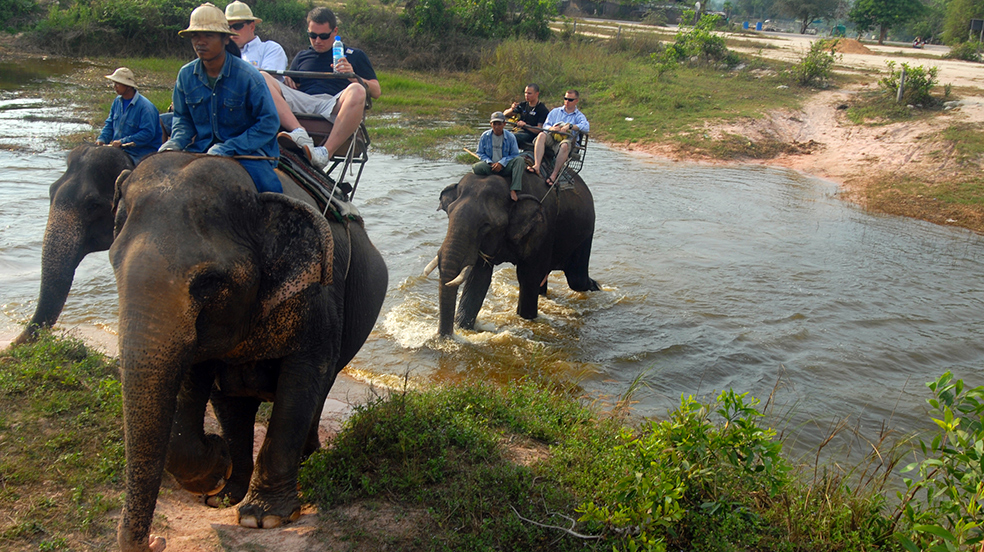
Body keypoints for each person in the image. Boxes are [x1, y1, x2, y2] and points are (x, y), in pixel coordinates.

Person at [159, 2, 282, 193]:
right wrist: (175, 143)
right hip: (201, 150)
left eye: (208, 35)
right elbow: (183, 119)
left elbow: (269, 123)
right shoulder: (185, 75)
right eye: (195, 36)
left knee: (269, 191)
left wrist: (229, 147)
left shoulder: (248, 77)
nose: (200, 42)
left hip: (247, 153)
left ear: (225, 39)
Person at [263, 6, 381, 170]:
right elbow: (290, 85)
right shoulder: (302, 56)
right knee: (261, 77)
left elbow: (376, 91)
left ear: (335, 31)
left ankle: (326, 152)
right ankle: (299, 131)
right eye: (312, 35)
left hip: (334, 103)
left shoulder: (354, 55)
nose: (317, 41)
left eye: (323, 36)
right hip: (303, 102)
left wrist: (353, 76)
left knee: (358, 89)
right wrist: (287, 82)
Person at [96, 67, 161, 164]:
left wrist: (122, 142)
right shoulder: (117, 102)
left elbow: (147, 134)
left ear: (128, 86)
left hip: (141, 154)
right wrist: (102, 139)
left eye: (118, 84)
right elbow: (110, 124)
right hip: (121, 152)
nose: (115, 86)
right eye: (114, 83)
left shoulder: (146, 108)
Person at [529, 89, 589, 186]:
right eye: (565, 99)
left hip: (566, 140)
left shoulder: (579, 116)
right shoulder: (555, 111)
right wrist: (552, 128)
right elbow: (546, 125)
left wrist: (570, 126)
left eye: (570, 100)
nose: (567, 102)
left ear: (576, 101)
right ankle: (537, 165)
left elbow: (586, 127)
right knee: (541, 135)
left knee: (565, 146)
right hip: (552, 137)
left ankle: (554, 175)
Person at [225, 1, 288, 78]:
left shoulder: (271, 49)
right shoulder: (222, 52)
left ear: (252, 27)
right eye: (228, 27)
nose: (232, 31)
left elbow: (265, 81)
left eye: (237, 26)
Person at [473, 112, 526, 202]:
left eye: (499, 124)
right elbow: (480, 153)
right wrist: (489, 162)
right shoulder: (485, 136)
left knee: (519, 160)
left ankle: (514, 189)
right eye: (494, 124)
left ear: (504, 124)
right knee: (476, 167)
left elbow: (514, 154)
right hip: (490, 166)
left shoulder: (510, 137)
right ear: (490, 124)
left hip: (505, 167)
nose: (496, 127)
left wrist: (501, 163)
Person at [503, 83, 548, 149]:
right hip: (518, 130)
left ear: (537, 94)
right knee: (500, 134)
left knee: (511, 137)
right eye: (525, 93)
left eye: (529, 93)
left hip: (530, 134)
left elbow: (539, 129)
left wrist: (526, 126)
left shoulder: (542, 109)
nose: (526, 95)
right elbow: (505, 114)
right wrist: (512, 109)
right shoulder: (523, 105)